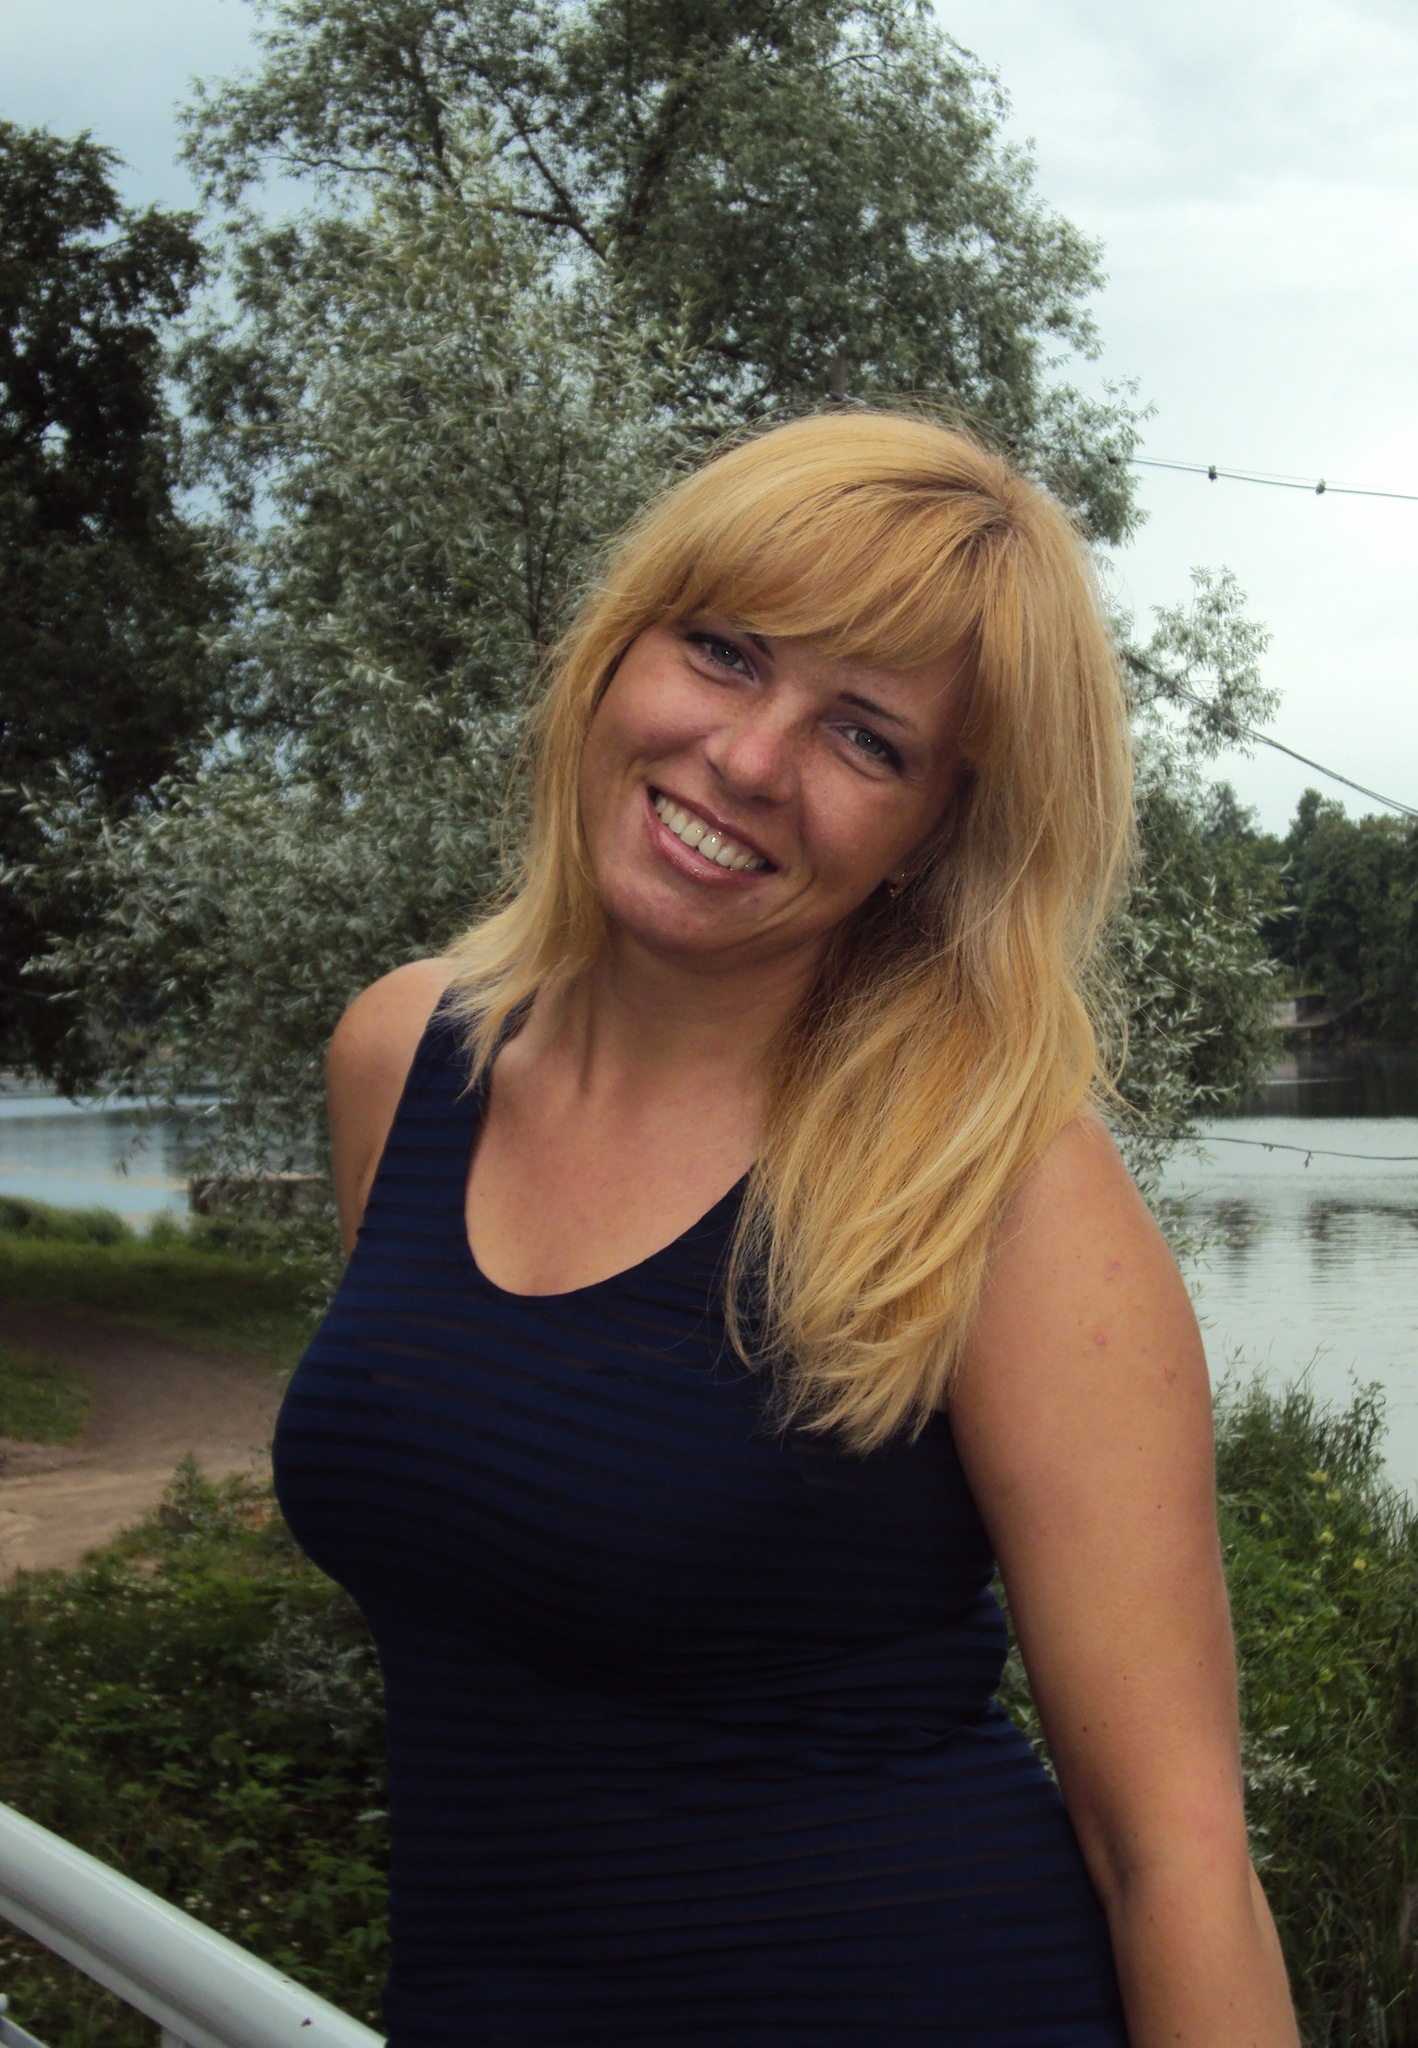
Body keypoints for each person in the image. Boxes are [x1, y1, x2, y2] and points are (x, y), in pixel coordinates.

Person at [273, 408, 1299, 2047]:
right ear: (621, 649)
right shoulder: (402, 1061)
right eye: (726, 652)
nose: (749, 761)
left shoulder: (995, 1189)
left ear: (935, 834)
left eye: (866, 740)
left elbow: (1170, 1855)